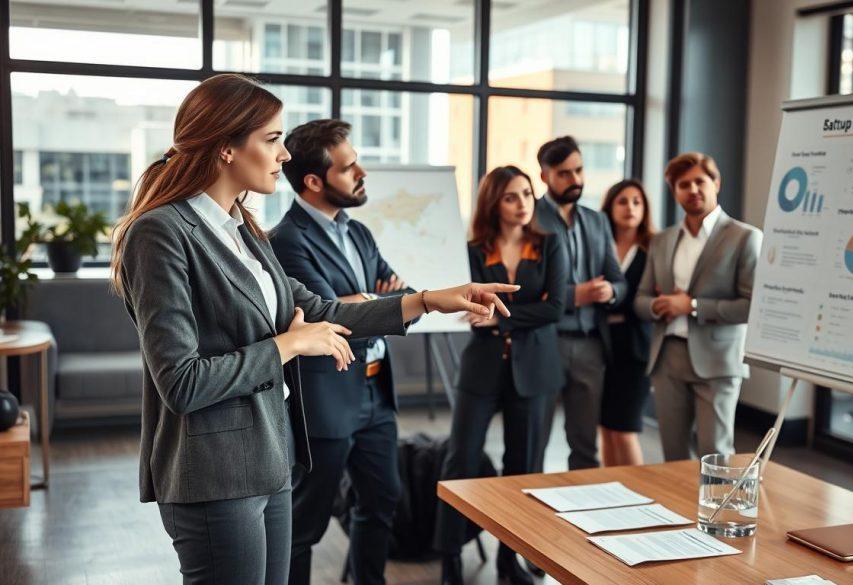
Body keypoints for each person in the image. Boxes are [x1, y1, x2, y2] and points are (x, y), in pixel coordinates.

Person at [109, 73, 517, 585]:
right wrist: (288, 343)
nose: (283, 156)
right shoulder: (160, 233)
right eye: (272, 140)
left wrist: (427, 301)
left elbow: (324, 310)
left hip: (272, 457)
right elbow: (182, 383)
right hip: (213, 471)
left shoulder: (243, 228)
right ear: (226, 148)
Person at [269, 119, 411, 585]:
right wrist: (375, 301)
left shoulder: (360, 233)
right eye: (349, 168)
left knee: (382, 499)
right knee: (305, 523)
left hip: (375, 390)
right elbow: (328, 319)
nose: (362, 173)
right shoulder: (286, 241)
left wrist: (368, 302)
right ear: (313, 181)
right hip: (327, 398)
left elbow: (401, 295)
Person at [433, 166, 567, 585]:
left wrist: (497, 321)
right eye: (512, 196)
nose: (523, 203)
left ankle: (511, 560)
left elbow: (556, 307)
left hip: (535, 372)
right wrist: (498, 317)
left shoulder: (550, 244)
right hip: (481, 371)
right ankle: (450, 557)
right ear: (494, 202)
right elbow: (466, 303)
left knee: (523, 468)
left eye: (527, 193)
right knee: (460, 461)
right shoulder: (472, 249)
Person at [634, 152, 762, 460]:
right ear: (674, 191)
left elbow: (752, 307)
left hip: (717, 361)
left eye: (699, 182)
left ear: (715, 183)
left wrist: (691, 305)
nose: (692, 190)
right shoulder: (662, 240)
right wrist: (659, 306)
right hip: (667, 359)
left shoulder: (745, 237)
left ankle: (718, 510)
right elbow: (640, 301)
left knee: (715, 454)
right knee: (673, 456)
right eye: (683, 184)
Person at [533, 136, 627, 472]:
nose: (576, 180)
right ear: (545, 176)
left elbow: (619, 281)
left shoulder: (597, 220)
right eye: (564, 173)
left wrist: (610, 293)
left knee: (586, 446)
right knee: (534, 441)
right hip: (544, 341)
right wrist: (577, 295)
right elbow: (524, 289)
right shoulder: (530, 220)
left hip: (590, 345)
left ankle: (582, 518)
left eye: (579, 170)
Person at [597, 179, 654, 467]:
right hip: (601, 347)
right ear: (610, 207)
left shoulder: (652, 249)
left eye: (637, 202)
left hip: (636, 350)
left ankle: (637, 497)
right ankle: (612, 488)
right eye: (622, 201)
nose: (630, 208)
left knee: (625, 430)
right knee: (605, 428)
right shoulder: (599, 246)